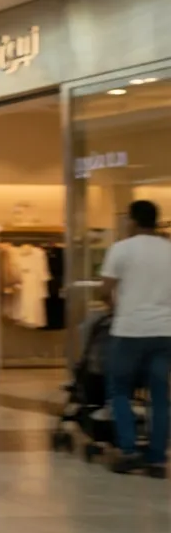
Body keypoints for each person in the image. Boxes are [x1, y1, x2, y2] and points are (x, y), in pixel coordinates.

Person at [101, 200, 171, 477]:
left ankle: (128, 450)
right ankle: (157, 458)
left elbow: (105, 290)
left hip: (129, 330)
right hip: (164, 332)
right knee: (159, 395)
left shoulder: (121, 249)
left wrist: (115, 307)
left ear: (131, 220)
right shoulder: (169, 249)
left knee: (119, 389)